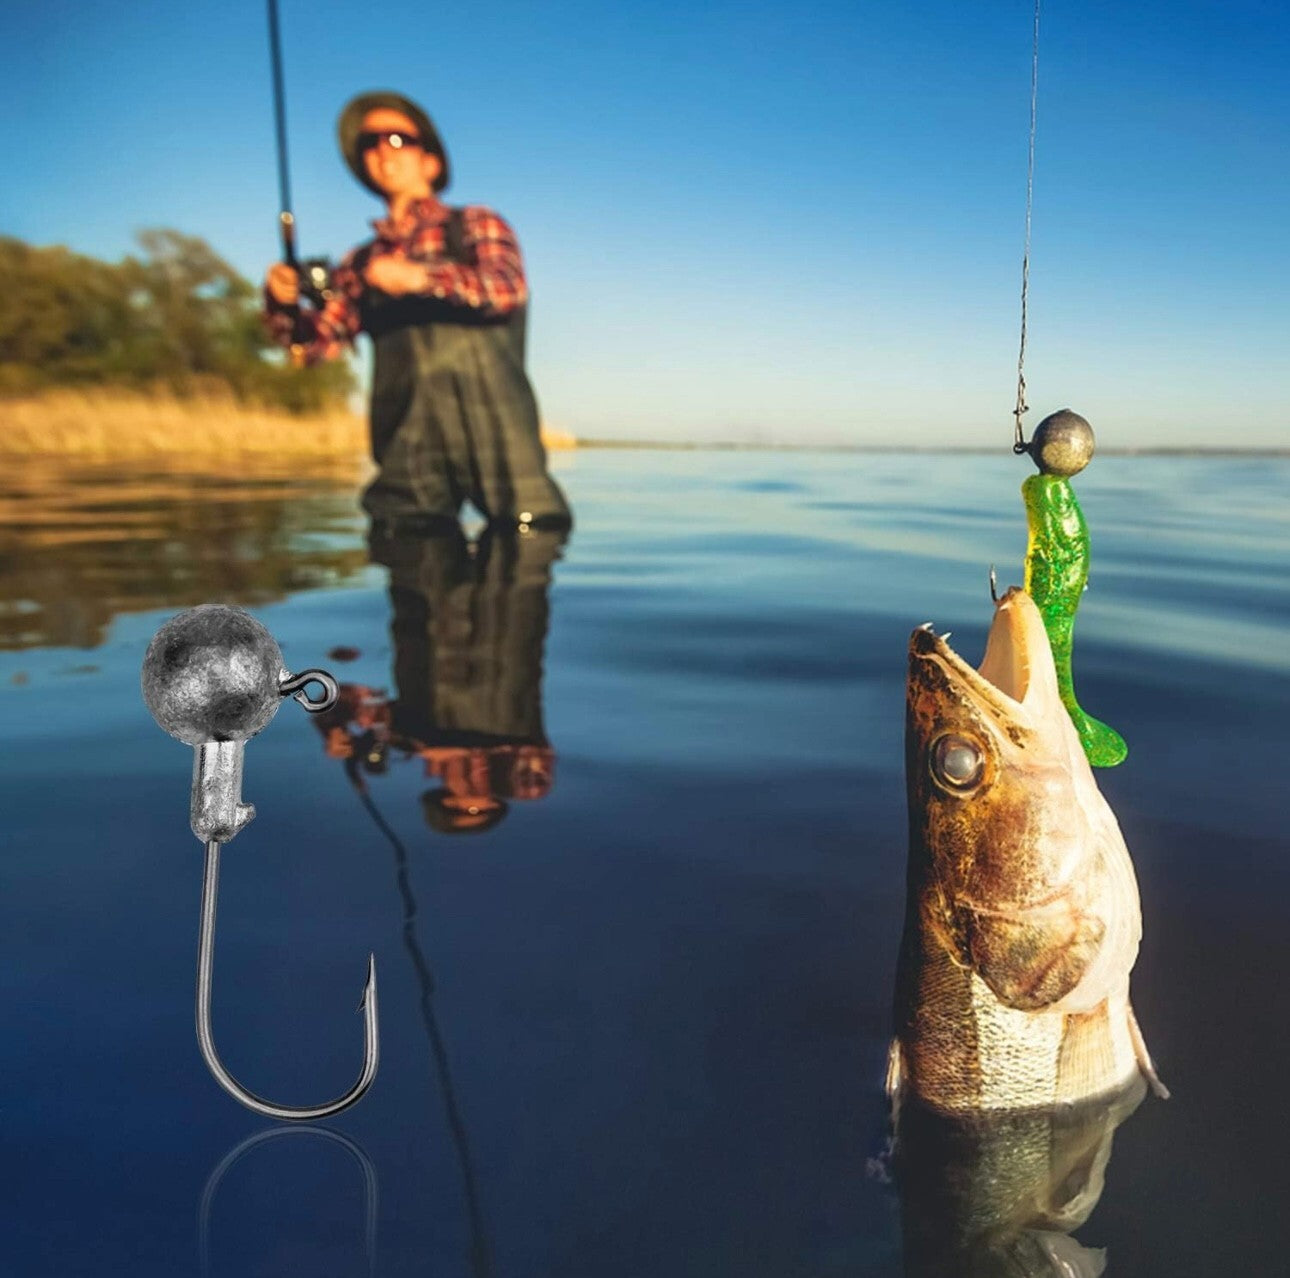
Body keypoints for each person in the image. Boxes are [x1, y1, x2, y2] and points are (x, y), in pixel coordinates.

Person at [263, 90, 572, 533]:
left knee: (532, 532)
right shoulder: (358, 263)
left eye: (396, 139)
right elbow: (316, 344)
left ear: (431, 160)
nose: (382, 151)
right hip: (406, 448)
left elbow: (508, 290)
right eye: (370, 144)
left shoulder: (479, 224)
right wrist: (283, 302)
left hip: (501, 439)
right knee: (408, 550)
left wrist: (422, 278)